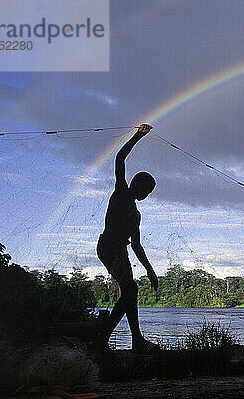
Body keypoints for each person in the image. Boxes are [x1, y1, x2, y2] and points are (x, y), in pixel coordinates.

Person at [96, 123, 158, 352]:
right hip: (107, 247)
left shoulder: (137, 214)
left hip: (119, 250)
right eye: (145, 190)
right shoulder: (121, 192)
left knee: (130, 291)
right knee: (131, 290)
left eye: (149, 193)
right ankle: (116, 339)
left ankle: (133, 340)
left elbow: (137, 246)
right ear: (136, 184)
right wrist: (137, 136)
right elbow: (120, 159)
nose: (145, 195)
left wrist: (151, 271)